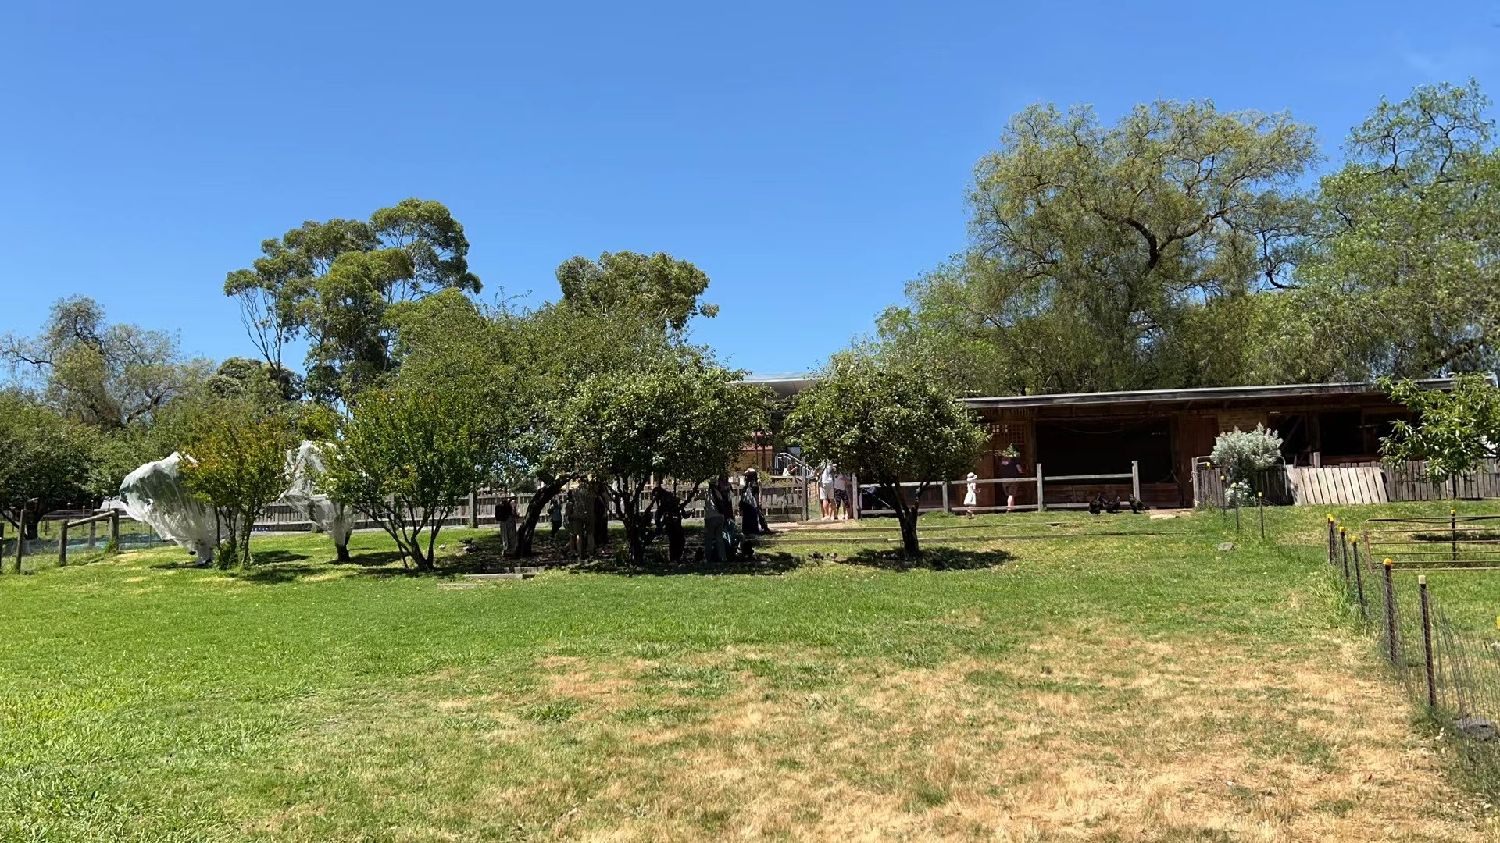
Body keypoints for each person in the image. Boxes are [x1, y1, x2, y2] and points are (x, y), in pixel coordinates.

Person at [743, 467, 773, 533]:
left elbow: (760, 491)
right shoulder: (748, 482)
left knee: (759, 513)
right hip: (749, 500)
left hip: (755, 499)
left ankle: (763, 527)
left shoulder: (757, 482)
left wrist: (759, 500)